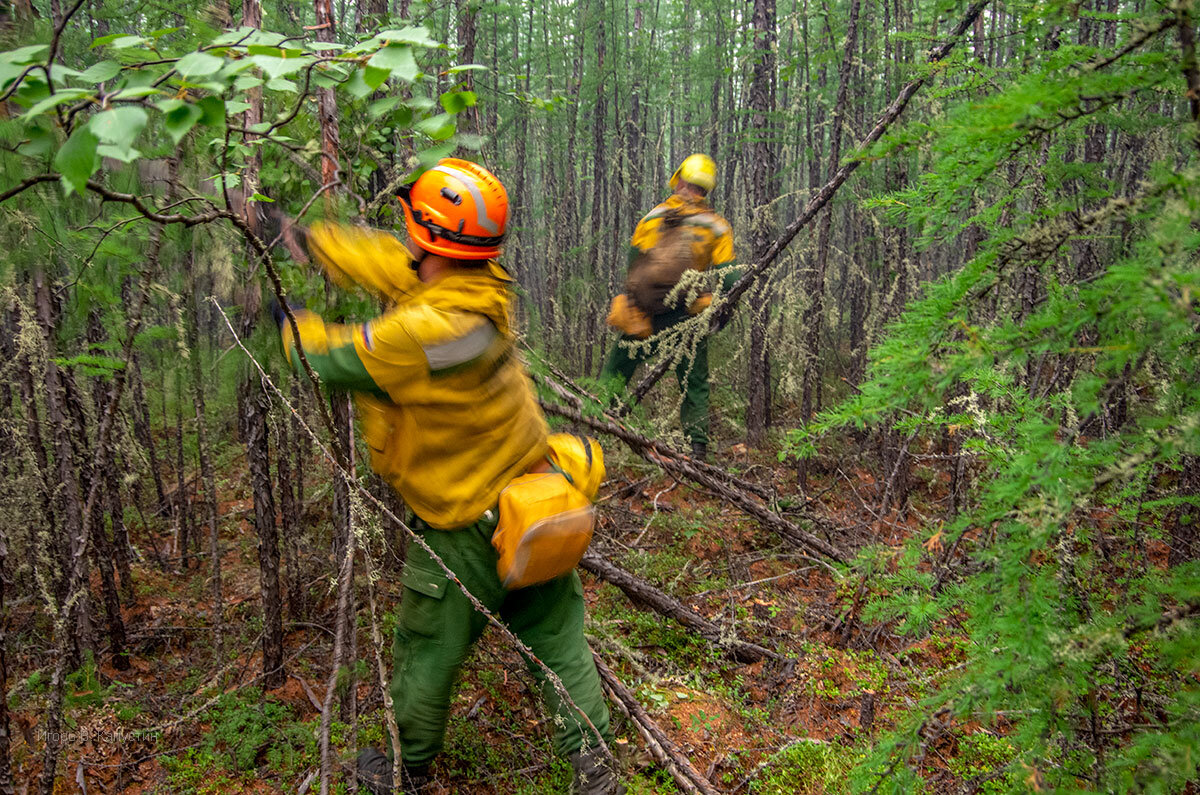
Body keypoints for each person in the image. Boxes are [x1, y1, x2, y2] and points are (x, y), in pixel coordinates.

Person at [270, 159, 620, 795]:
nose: (403, 240)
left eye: (411, 231)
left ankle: (406, 768)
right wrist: (309, 241)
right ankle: (595, 764)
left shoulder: (430, 334)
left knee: (427, 652)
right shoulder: (477, 291)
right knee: (560, 640)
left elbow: (340, 358)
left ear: (430, 238)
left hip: (465, 524)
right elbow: (393, 265)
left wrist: (288, 328)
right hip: (536, 498)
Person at [600, 153, 737, 461]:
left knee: (617, 369)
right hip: (689, 315)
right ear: (706, 189)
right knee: (694, 380)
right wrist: (724, 310)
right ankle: (697, 448)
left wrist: (633, 304)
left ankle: (593, 424)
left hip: (645, 314)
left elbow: (634, 264)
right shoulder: (716, 227)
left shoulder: (653, 217)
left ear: (680, 180)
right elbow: (732, 277)